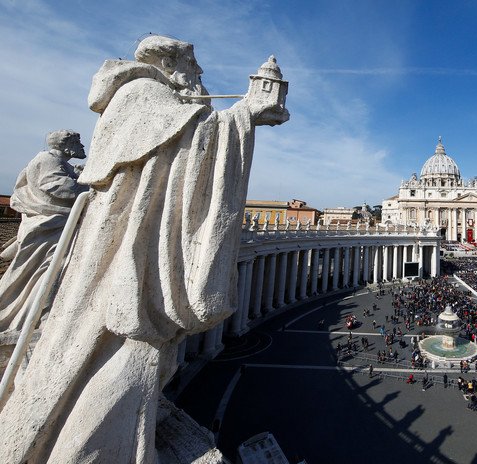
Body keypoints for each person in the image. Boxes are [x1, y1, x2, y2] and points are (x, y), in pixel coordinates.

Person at [0, 35, 289, 463]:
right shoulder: (142, 92)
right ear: (174, 64)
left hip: (131, 238)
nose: (199, 80)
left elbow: (181, 141)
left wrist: (235, 115)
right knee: (109, 355)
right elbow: (184, 147)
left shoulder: (154, 98)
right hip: (123, 248)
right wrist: (244, 113)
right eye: (195, 71)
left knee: (126, 358)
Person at [0, 130, 86, 335]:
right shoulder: (47, 160)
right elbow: (57, 187)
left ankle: (40, 313)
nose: (82, 146)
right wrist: (89, 185)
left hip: (56, 226)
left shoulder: (61, 163)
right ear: (67, 145)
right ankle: (36, 316)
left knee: (54, 269)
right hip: (50, 227)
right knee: (48, 269)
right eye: (77, 142)